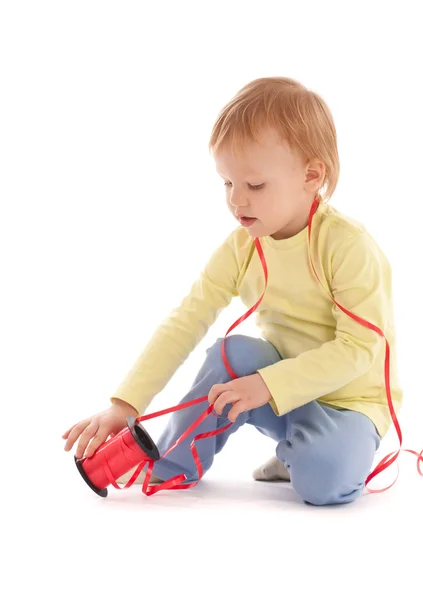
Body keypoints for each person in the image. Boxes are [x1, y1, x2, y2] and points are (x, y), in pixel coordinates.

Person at [62, 76, 403, 505]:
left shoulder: (347, 246)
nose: (236, 201)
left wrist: (268, 383)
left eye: (255, 186)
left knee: (325, 485)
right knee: (230, 354)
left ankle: (315, 454)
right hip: (276, 389)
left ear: (311, 175)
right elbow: (187, 320)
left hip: (349, 403)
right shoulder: (242, 246)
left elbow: (359, 349)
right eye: (227, 183)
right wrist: (125, 404)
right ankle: (172, 464)